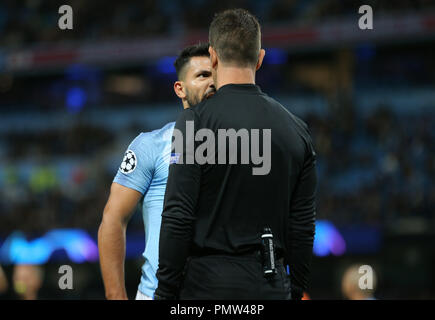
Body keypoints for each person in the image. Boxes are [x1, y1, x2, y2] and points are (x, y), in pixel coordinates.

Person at [155, 8, 317, 300]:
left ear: (213, 57)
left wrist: (165, 291)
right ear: (260, 58)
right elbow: (303, 226)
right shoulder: (297, 130)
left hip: (206, 285)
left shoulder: (195, 122)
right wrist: (294, 288)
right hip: (272, 282)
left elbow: (178, 216)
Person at [98, 43, 216, 300]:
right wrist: (116, 295)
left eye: (217, 75)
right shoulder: (151, 145)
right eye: (202, 75)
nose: (212, 83)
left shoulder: (245, 146)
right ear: (180, 89)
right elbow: (113, 219)